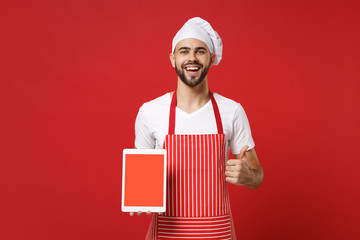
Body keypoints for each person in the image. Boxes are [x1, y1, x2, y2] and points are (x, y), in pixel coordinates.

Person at [131, 17, 264, 240]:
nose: (192, 57)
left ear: (211, 59)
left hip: (217, 234)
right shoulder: (149, 112)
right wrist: (138, 194)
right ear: (173, 59)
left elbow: (257, 175)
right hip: (166, 234)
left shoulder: (231, 111)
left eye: (200, 51)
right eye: (184, 51)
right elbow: (139, 178)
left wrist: (248, 177)